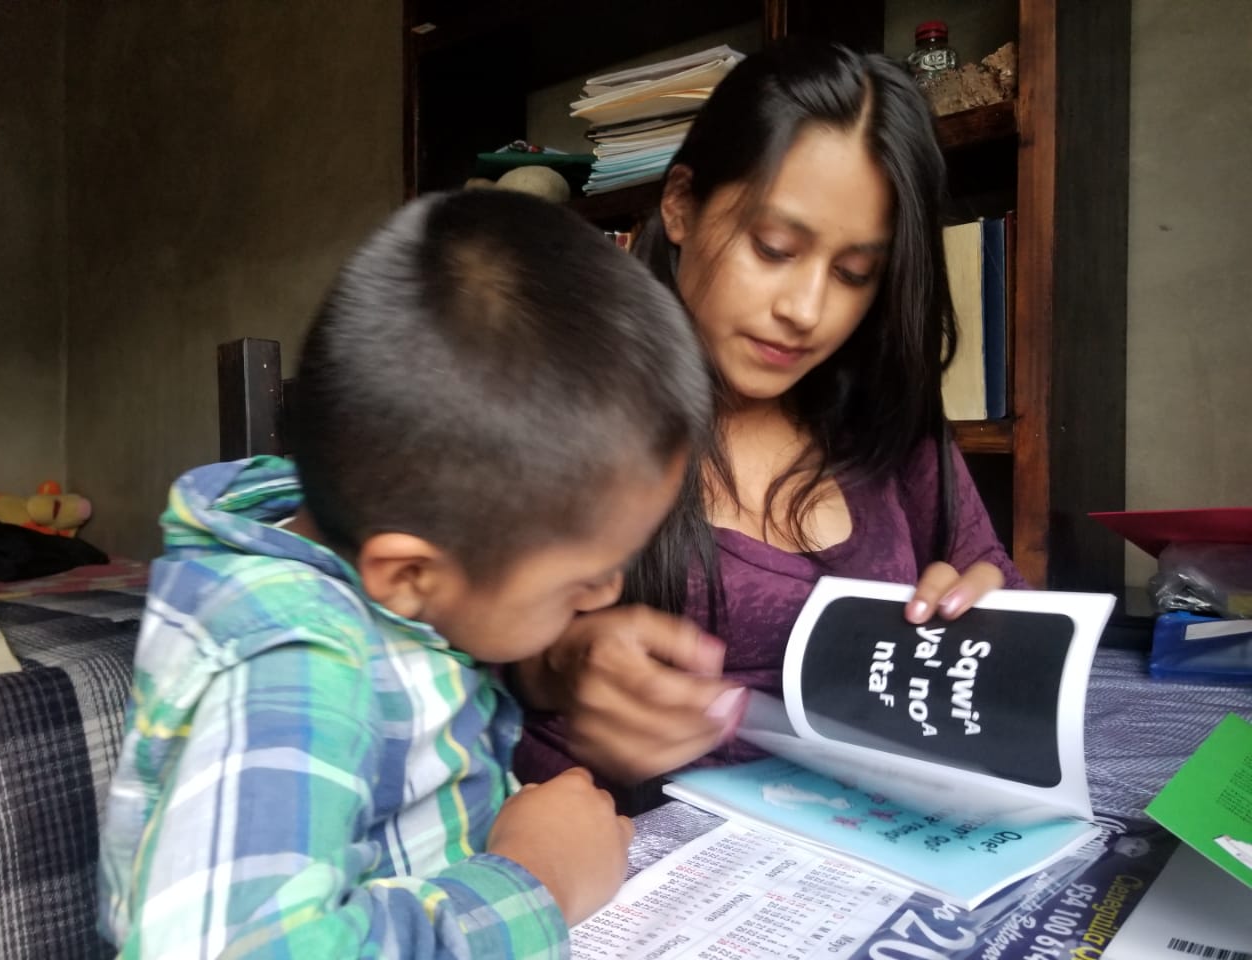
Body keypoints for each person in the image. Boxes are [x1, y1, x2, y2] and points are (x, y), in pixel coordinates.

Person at [96, 188, 711, 958]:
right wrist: (536, 878)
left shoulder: (378, 563)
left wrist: (556, 669)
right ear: (409, 573)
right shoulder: (298, 664)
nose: (609, 593)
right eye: (579, 579)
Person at [512, 40, 1029, 798]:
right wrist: (565, 664)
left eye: (855, 273)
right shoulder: (562, 407)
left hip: (862, 854)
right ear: (681, 205)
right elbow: (452, 639)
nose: (806, 312)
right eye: (774, 247)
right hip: (615, 859)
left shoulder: (884, 420)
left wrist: (990, 622)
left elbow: (994, 579)